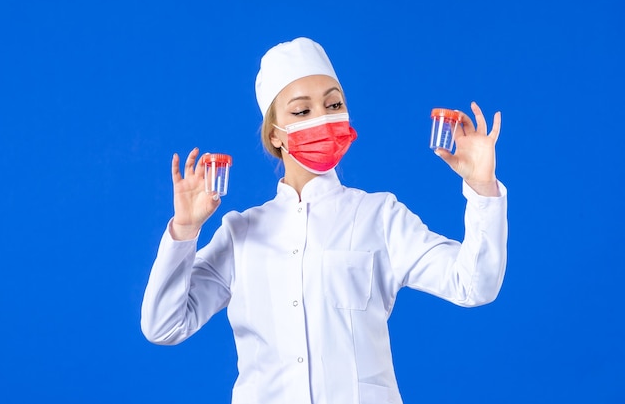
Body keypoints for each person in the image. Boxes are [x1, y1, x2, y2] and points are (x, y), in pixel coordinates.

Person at [141, 37, 507, 404]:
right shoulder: (242, 233)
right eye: (302, 112)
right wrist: (185, 231)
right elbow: (164, 325)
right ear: (275, 135)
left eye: (333, 104)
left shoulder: (379, 216)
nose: (323, 118)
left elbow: (474, 284)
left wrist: (481, 188)